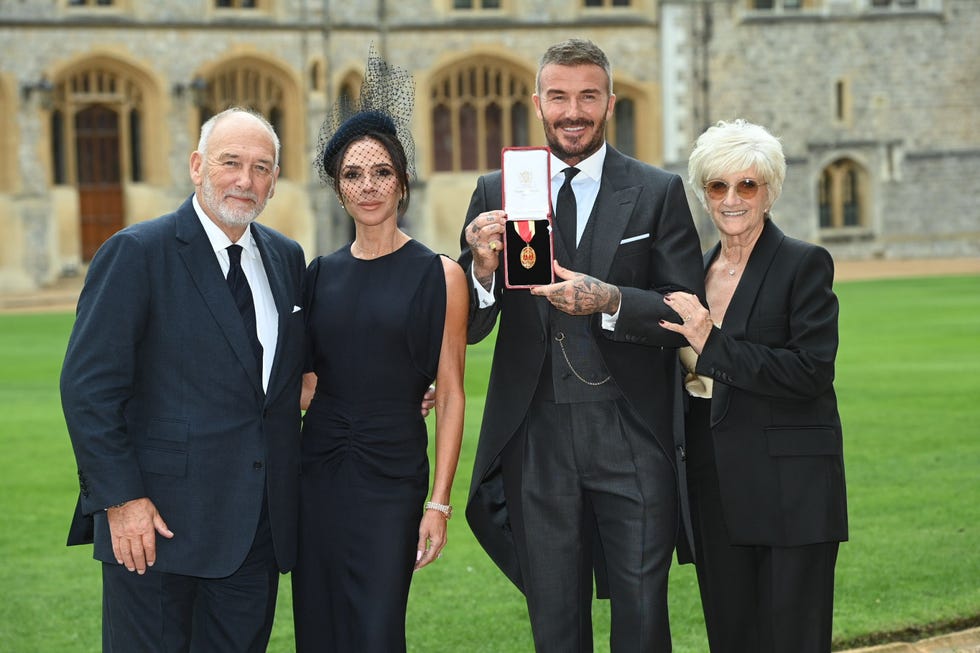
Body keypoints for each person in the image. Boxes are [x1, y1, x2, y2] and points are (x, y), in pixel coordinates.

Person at [459, 38, 705, 652]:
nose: (574, 111)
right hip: (536, 434)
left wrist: (612, 300)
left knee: (643, 613)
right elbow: (470, 325)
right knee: (554, 615)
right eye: (560, 97)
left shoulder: (657, 190)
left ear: (610, 102)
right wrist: (482, 272)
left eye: (588, 96)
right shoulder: (499, 189)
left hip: (633, 432)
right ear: (538, 102)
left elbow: (684, 309)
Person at [61, 107, 307, 652]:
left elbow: (294, 377)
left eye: (263, 167)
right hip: (155, 531)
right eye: (231, 163)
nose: (246, 180)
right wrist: (121, 501)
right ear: (197, 166)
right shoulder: (137, 252)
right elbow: (88, 387)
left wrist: (405, 393)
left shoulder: (286, 258)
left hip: (255, 534)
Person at [291, 50, 468, 653]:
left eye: (381, 172)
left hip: (393, 475)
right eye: (352, 175)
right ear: (338, 188)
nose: (368, 186)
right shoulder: (317, 275)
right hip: (318, 470)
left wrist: (438, 503)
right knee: (318, 625)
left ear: (403, 180)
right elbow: (304, 385)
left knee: (376, 630)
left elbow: (450, 392)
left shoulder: (440, 275)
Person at [660, 118, 848, 653]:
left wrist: (709, 340)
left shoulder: (803, 264)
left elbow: (811, 371)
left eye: (747, 185)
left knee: (792, 639)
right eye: (718, 186)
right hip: (712, 485)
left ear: (769, 192)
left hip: (792, 489)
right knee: (731, 636)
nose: (732, 198)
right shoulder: (692, 273)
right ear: (703, 194)